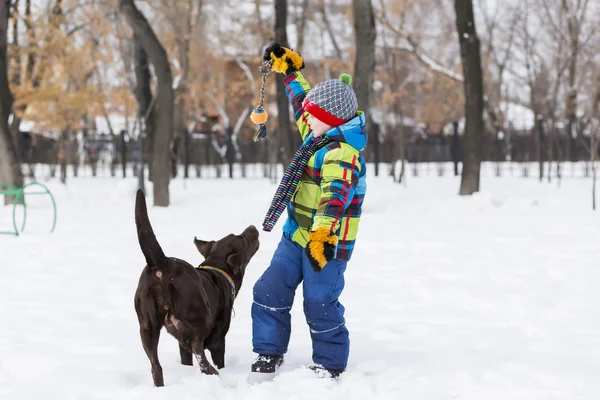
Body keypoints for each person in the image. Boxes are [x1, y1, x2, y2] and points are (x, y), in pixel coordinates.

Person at [250, 42, 368, 379]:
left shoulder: (342, 152)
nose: (306, 120)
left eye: (313, 118)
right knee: (268, 289)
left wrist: (324, 229)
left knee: (319, 302)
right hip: (295, 235)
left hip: (325, 244)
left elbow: (336, 192)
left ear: (329, 121)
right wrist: (288, 70)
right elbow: (303, 103)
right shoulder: (317, 133)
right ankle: (268, 353)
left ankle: (329, 363)